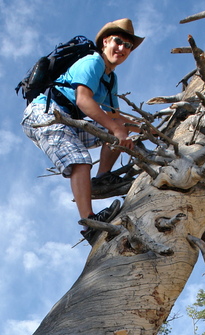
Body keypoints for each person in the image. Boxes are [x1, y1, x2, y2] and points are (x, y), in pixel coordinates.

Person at [22, 18, 144, 242]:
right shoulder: (93, 62)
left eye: (128, 46)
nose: (123, 48)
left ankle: (102, 179)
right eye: (118, 42)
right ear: (105, 41)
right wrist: (117, 131)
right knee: (79, 159)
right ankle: (90, 225)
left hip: (68, 119)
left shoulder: (111, 78)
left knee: (121, 126)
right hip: (44, 113)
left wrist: (148, 129)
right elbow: (84, 101)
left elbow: (114, 115)